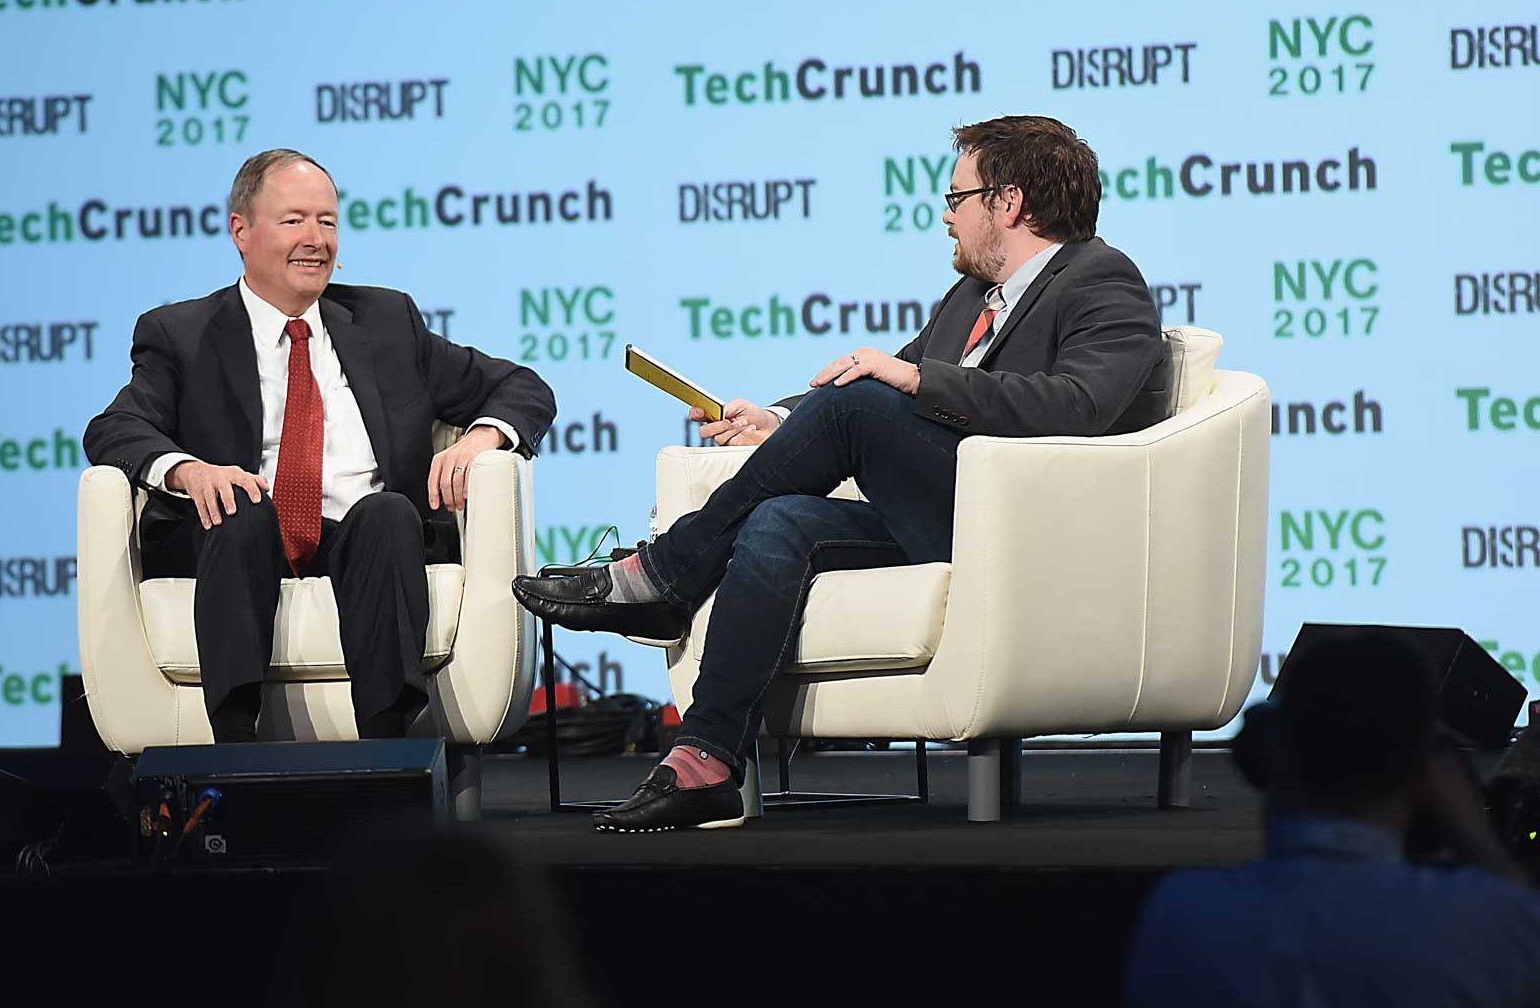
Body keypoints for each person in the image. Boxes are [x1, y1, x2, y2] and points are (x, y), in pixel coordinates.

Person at [512, 115, 1170, 832]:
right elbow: (880, 387)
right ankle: (704, 760)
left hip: (1024, 530)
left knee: (862, 403)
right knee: (777, 520)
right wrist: (775, 421)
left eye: (957, 199)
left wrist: (919, 382)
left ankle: (664, 575)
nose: (947, 218)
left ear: (1007, 203)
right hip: (942, 516)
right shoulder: (970, 300)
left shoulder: (1103, 279)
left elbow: (1078, 405)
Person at [85, 149, 555, 743]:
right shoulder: (181, 334)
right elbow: (114, 428)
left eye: (328, 221)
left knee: (387, 513)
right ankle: (232, 746)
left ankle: (390, 750)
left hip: (362, 541)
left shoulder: (386, 321)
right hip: (237, 542)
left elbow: (522, 386)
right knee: (241, 508)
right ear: (241, 232)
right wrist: (189, 471)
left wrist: (481, 440)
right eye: (293, 221)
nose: (316, 240)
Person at [1122, 628, 1540, 1008]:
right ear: (1426, 776)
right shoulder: (1488, 919)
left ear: (1265, 760)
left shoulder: (1182, 915)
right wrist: (1475, 832)